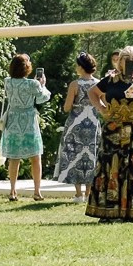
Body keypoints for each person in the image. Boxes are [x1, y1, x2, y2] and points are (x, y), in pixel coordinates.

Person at [87, 47, 133, 221]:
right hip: (113, 129)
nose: (132, 62)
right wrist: (101, 108)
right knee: (111, 167)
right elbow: (93, 92)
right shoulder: (111, 79)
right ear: (120, 61)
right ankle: (108, 211)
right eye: (128, 58)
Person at [0, 53, 52, 201]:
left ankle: (12, 191)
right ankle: (36, 191)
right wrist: (42, 84)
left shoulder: (7, 82)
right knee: (35, 157)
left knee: (14, 158)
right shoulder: (32, 84)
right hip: (28, 121)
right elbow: (43, 98)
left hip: (13, 121)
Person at [50, 53, 102, 202]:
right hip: (92, 121)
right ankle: (88, 193)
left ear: (80, 67)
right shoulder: (98, 83)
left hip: (76, 121)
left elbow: (67, 107)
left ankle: (78, 194)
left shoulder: (75, 84)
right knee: (91, 154)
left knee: (75, 154)